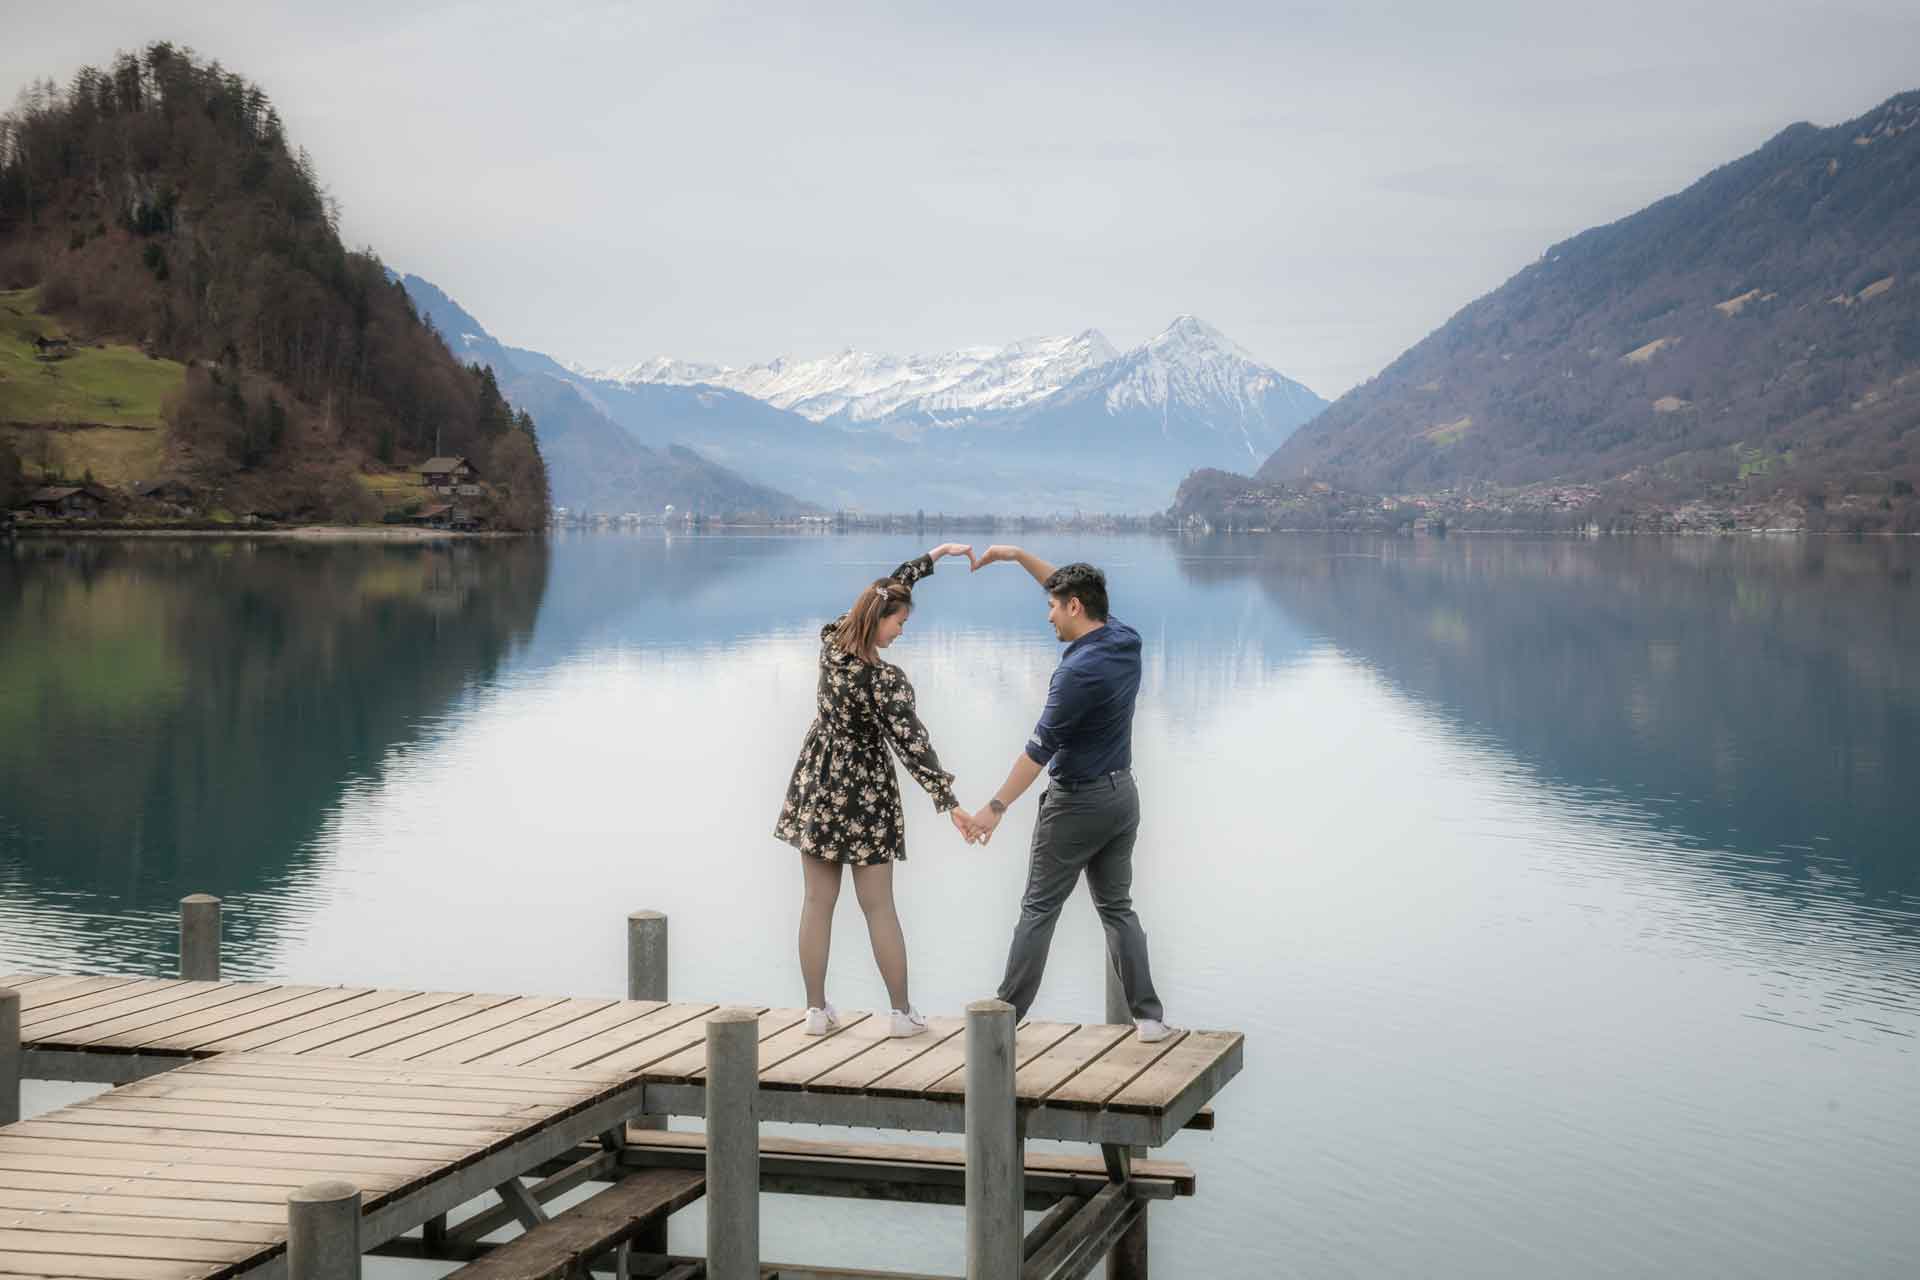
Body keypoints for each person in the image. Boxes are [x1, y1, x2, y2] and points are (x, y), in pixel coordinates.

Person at [959, 547, 1174, 1042]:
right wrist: (1015, 556)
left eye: (1054, 606)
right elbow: (1061, 583)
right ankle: (1149, 1018)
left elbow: (1038, 751)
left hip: (1076, 804)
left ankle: (1004, 1019)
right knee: (1118, 908)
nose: (1049, 614)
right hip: (1122, 798)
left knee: (1038, 908)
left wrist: (994, 809)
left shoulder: (1075, 674)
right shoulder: (1124, 640)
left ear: (1075, 607)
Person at [774, 543, 977, 1038]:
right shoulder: (883, 681)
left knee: (816, 902)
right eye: (899, 622)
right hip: (865, 791)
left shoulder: (832, 644)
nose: (901, 631)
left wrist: (932, 558)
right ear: (880, 618)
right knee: (879, 905)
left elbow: (878, 592)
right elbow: (914, 746)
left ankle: (815, 1012)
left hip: (820, 782)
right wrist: (948, 801)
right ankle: (901, 1014)